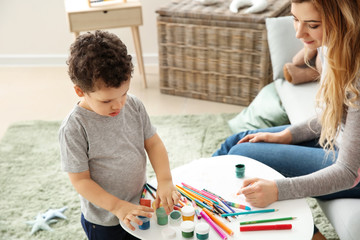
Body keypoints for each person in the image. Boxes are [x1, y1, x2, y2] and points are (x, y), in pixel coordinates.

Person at [214, 0, 360, 238]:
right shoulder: (330, 46)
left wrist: (278, 190)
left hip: (352, 170)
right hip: (344, 146)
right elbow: (335, 115)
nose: (298, 32)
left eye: (312, 25)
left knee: (243, 154)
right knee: (240, 141)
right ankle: (199, 198)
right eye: (295, 19)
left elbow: (348, 172)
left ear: (343, 21)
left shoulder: (357, 70)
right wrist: (287, 135)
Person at [59, 30, 180, 240]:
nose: (118, 105)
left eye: (123, 93)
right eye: (106, 101)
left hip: (139, 204)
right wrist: (117, 207)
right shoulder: (74, 128)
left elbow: (153, 144)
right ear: (80, 91)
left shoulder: (133, 105)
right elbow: (81, 181)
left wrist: (165, 180)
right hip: (104, 221)